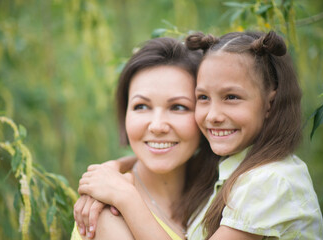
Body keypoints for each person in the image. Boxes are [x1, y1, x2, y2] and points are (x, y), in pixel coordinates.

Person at [78, 31, 323, 239]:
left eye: (231, 97)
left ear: (270, 103)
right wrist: (111, 170)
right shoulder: (225, 172)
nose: (213, 115)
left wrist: (125, 196)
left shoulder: (269, 181)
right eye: (203, 98)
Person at [71, 37, 218, 240]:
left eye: (178, 107)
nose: (157, 126)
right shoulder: (107, 212)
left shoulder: (221, 189)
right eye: (141, 106)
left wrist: (117, 169)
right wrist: (126, 197)